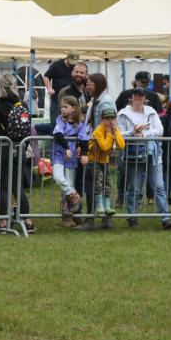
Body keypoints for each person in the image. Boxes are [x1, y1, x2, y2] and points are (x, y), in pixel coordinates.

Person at [117, 88, 171, 229]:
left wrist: (143, 134)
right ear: (131, 98)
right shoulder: (123, 113)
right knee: (135, 188)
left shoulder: (151, 111)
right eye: (135, 96)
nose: (138, 98)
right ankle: (132, 217)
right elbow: (119, 134)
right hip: (133, 155)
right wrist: (133, 132)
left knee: (159, 187)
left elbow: (160, 130)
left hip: (153, 154)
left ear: (144, 98)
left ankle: (165, 218)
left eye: (140, 96)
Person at [0, 74, 33, 233]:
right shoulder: (23, 105)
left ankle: (3, 222)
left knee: (2, 186)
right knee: (17, 186)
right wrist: (24, 148)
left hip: (1, 149)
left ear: (0, 87)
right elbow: (27, 130)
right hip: (19, 149)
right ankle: (28, 221)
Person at [76, 107, 124, 230]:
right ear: (102, 119)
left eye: (112, 118)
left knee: (106, 186)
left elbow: (121, 145)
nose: (110, 121)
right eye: (107, 118)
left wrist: (115, 132)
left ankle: (106, 214)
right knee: (94, 187)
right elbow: (104, 146)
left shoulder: (114, 129)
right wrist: (110, 134)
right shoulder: (98, 130)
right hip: (93, 161)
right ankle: (93, 216)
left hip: (104, 162)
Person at [51, 96, 89, 227]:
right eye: (61, 107)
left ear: (73, 108)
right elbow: (58, 134)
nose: (62, 109)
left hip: (72, 158)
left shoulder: (80, 124)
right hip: (59, 154)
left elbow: (84, 139)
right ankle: (74, 195)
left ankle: (67, 216)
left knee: (68, 184)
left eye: (65, 107)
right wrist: (67, 148)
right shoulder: (60, 120)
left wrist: (84, 154)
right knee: (58, 177)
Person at [43, 51, 80, 121]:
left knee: (72, 121)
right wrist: (49, 88)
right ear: (67, 57)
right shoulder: (57, 65)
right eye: (71, 61)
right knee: (55, 121)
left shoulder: (76, 67)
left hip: (72, 101)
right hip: (56, 100)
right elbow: (46, 77)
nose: (73, 64)